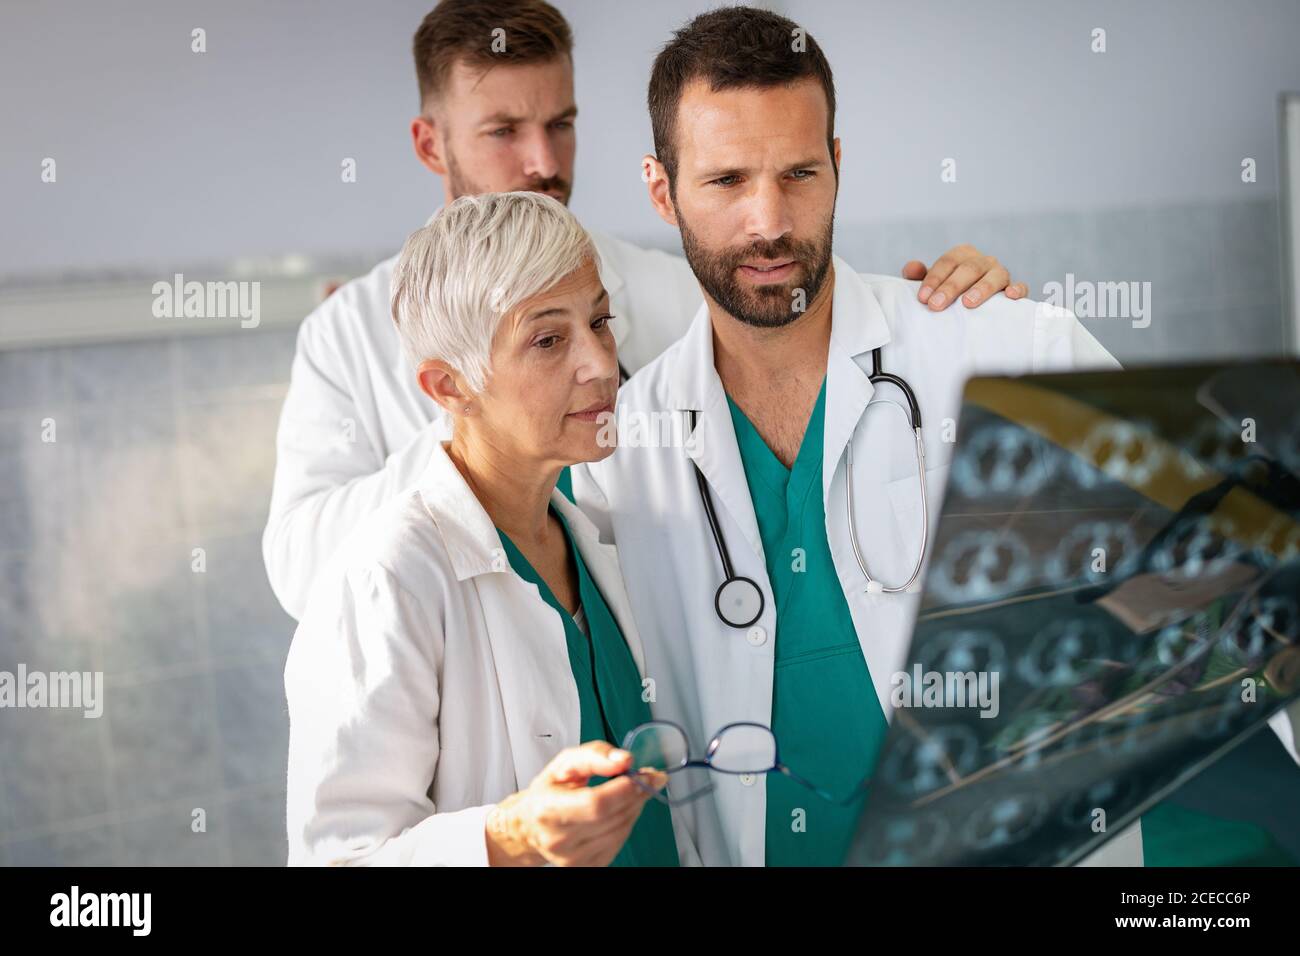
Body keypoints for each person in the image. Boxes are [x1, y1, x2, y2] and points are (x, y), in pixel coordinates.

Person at [570, 5, 1300, 868]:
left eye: (799, 173)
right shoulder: (618, 454)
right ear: (663, 189)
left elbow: (1248, 555)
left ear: (838, 166)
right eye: (727, 181)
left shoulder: (1001, 344)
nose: (768, 222)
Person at [262, 0, 1026, 621]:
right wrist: (486, 428)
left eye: (561, 124)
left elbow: (795, 325)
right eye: (503, 132)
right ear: (432, 145)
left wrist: (954, 305)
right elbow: (302, 572)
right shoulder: (348, 334)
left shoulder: (667, 287)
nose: (543, 162)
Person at [285, 191, 695, 866]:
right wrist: (509, 838)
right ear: (449, 388)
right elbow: (340, 859)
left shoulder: (590, 540)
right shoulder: (386, 579)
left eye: (599, 321)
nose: (597, 362)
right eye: (547, 339)